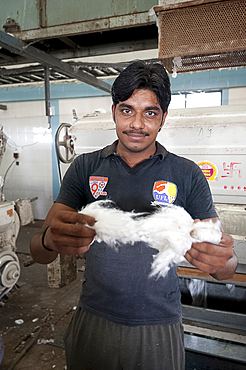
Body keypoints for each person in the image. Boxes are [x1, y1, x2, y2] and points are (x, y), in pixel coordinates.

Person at [30, 60, 237, 370]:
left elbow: (224, 267)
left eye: (149, 113)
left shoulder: (187, 174)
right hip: (94, 318)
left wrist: (225, 261)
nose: (137, 124)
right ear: (114, 111)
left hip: (158, 324)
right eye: (127, 110)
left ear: (163, 118)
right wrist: (49, 239)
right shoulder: (85, 167)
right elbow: (39, 251)